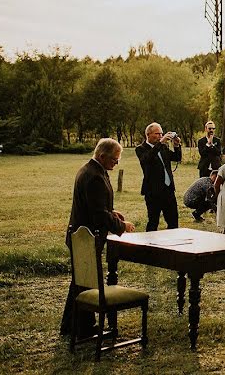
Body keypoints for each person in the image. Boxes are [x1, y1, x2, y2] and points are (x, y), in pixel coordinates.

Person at [60, 138, 135, 339]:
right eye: (114, 159)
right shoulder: (94, 176)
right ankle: (84, 328)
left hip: (79, 235)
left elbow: (97, 206)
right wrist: (122, 226)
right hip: (86, 237)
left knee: (80, 282)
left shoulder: (90, 170)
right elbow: (98, 215)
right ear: (102, 156)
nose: (116, 163)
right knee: (87, 283)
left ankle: (70, 325)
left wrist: (111, 210)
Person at [136, 122, 181, 231]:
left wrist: (176, 145)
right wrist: (160, 143)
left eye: (162, 133)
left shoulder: (163, 147)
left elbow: (176, 158)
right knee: (153, 221)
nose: (161, 136)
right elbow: (147, 159)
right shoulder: (141, 149)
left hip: (168, 189)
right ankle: (149, 246)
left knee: (173, 221)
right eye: (157, 133)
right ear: (148, 134)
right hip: (153, 191)